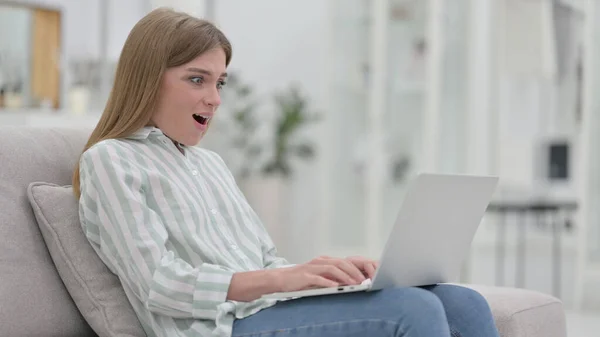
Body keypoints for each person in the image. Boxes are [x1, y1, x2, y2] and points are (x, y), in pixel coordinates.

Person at [73, 8, 501, 337]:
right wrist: (280, 278)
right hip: (215, 328)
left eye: (220, 82)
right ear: (148, 79)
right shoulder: (111, 159)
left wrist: (325, 277)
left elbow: (264, 260)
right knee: (415, 310)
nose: (215, 98)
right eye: (197, 79)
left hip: (262, 310)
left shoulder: (209, 164)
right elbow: (158, 285)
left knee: (464, 303)